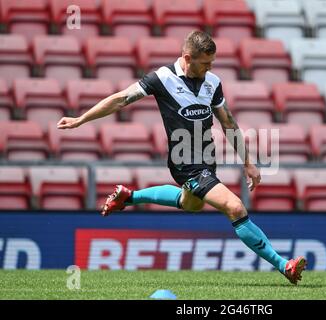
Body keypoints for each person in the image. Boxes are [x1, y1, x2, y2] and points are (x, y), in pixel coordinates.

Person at [57, 30, 306, 285]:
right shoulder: (161, 78)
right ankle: (283, 265)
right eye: (205, 63)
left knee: (191, 204)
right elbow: (121, 99)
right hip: (185, 162)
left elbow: (228, 122)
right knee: (235, 207)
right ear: (188, 57)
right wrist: (81, 119)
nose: (210, 67)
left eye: (212, 63)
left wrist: (248, 162)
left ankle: (129, 197)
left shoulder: (212, 82)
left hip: (207, 160)